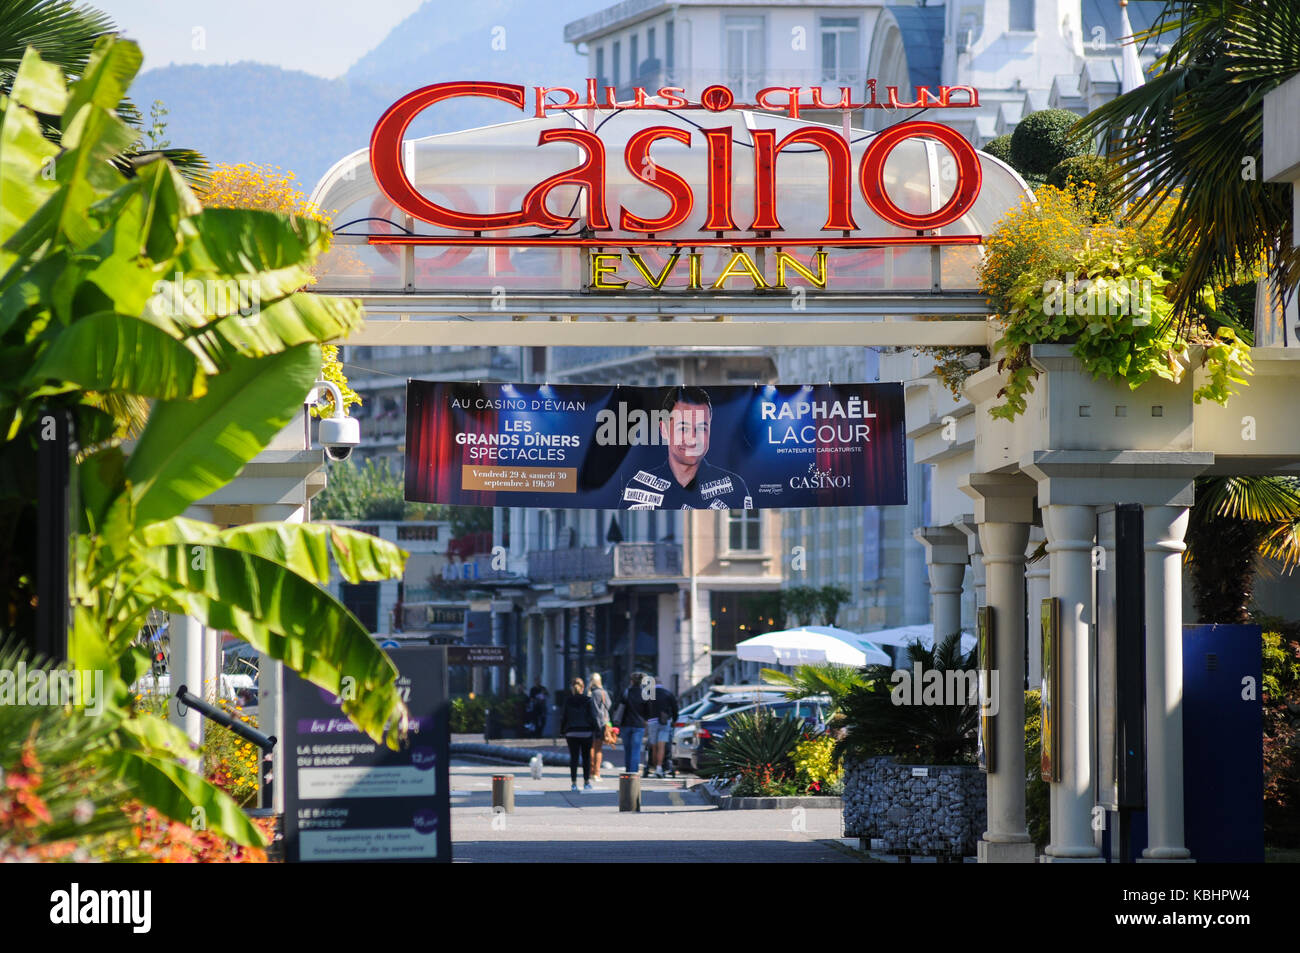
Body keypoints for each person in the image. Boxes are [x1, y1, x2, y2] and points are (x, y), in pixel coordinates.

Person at [622, 386, 752, 511]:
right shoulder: (639, 487)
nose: (693, 439)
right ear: (664, 430)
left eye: (701, 428)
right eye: (683, 428)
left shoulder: (735, 487)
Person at [559, 677, 601, 791]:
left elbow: (564, 717)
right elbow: (593, 717)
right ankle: (586, 782)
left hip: (571, 733)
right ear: (583, 688)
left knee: (574, 758)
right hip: (586, 733)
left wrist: (562, 731)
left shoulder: (568, 701)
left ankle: (573, 783)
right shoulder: (588, 700)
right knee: (586, 758)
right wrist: (597, 729)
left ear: (572, 688)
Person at [614, 672, 653, 775]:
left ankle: (628, 771)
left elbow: (617, 705)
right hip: (639, 725)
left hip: (626, 724)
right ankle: (633, 772)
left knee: (627, 750)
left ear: (632, 681)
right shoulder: (645, 694)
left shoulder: (626, 692)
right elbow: (649, 710)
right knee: (636, 750)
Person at [649, 680, 679, 778]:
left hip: (652, 721)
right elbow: (675, 708)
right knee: (662, 746)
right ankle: (659, 768)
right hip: (664, 721)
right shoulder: (667, 693)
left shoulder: (650, 693)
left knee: (654, 746)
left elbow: (645, 707)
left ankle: (652, 767)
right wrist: (674, 719)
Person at [587, 673, 612, 782]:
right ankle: (597, 773)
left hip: (592, 724)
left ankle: (590, 772)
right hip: (603, 724)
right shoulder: (603, 692)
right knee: (599, 749)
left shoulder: (590, 693)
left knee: (590, 749)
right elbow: (609, 705)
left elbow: (591, 709)